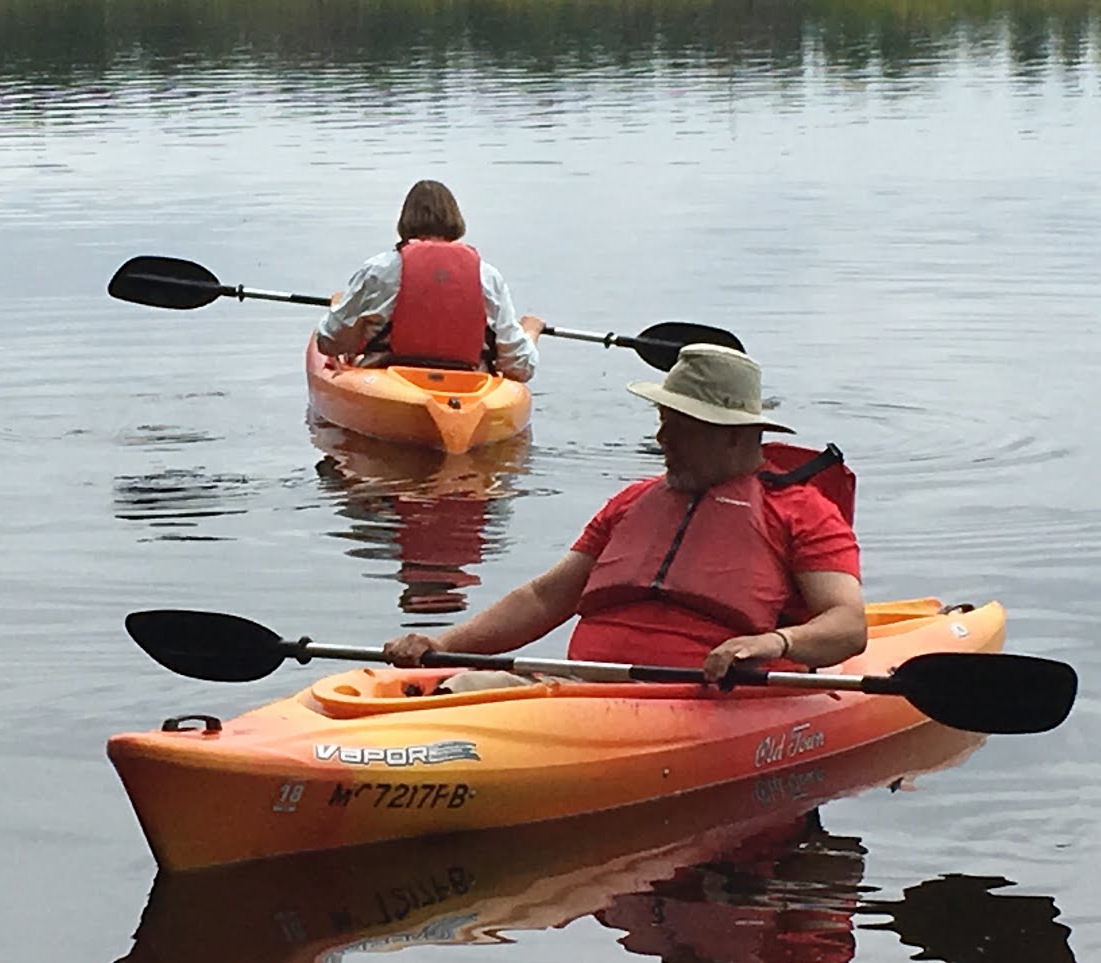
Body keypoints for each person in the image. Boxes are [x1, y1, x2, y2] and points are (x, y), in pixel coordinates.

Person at [383, 343, 866, 684]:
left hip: (712, 700)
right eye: (663, 423)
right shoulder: (634, 500)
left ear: (735, 436)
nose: (661, 440)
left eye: (680, 429)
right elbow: (544, 598)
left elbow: (847, 624)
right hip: (586, 690)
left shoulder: (804, 513)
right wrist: (442, 645)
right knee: (458, 687)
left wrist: (774, 644)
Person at [315, 179, 543, 382]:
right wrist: (531, 332)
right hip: (467, 388)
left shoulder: (379, 271)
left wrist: (338, 306)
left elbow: (329, 342)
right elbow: (520, 367)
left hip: (389, 383)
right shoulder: (487, 277)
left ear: (405, 221)